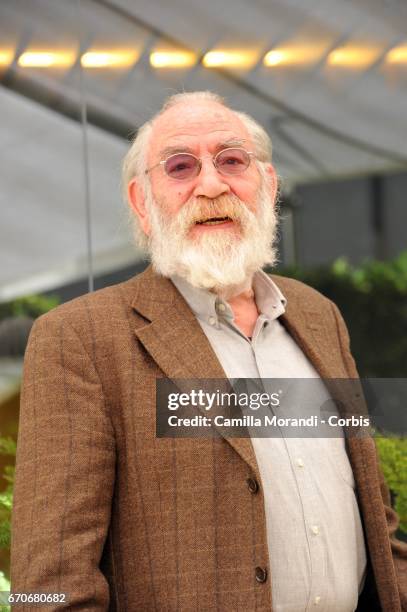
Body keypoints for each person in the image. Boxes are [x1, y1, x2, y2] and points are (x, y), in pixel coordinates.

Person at [11, 91, 406, 611]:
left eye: (232, 161)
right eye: (180, 167)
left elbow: (375, 512)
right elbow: (50, 582)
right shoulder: (81, 338)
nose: (213, 184)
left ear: (268, 184)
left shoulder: (317, 315)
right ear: (141, 202)